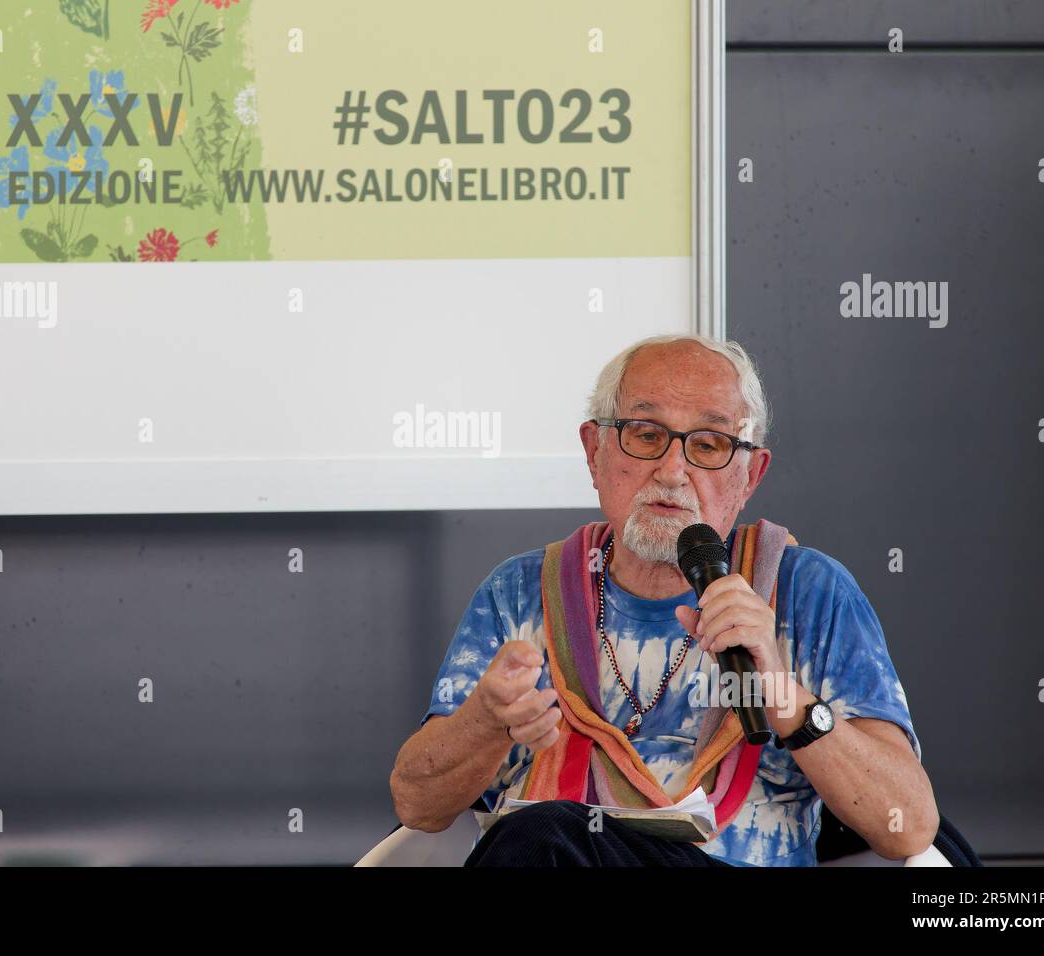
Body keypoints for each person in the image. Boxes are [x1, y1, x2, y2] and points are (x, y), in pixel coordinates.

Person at [388, 333, 938, 866]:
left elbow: (909, 826)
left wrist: (783, 696)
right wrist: (483, 723)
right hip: (550, 854)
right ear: (594, 450)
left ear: (750, 475)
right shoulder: (518, 591)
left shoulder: (810, 593)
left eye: (708, 444)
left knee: (540, 835)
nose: (673, 470)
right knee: (538, 836)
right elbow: (416, 806)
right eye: (646, 434)